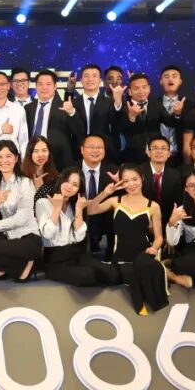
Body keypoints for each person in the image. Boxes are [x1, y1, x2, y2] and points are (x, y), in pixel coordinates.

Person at [87, 164, 169, 315]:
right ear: (121, 183)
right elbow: (90, 210)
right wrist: (106, 193)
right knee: (123, 272)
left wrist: (154, 248)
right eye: (126, 181)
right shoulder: (116, 201)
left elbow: (159, 238)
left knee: (138, 268)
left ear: (142, 179)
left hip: (143, 256)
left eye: (134, 179)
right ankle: (141, 304)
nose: (131, 184)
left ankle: (150, 301)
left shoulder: (153, 206)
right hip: (120, 257)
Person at [0, 140, 43, 281]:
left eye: (8, 156)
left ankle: (29, 260)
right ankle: (16, 263)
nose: (4, 160)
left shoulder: (25, 183)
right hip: (9, 235)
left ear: (16, 158)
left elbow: (22, 218)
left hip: (28, 237)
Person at [36, 167, 119, 286]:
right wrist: (57, 208)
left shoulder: (75, 205)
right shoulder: (43, 203)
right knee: (88, 276)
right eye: (67, 181)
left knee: (112, 274)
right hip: (55, 259)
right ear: (60, 180)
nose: (69, 186)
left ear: (79, 190)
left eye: (75, 185)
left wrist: (79, 209)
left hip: (77, 254)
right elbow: (48, 234)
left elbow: (79, 237)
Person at [118, 72, 181, 164]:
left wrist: (177, 113)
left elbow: (170, 122)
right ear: (130, 92)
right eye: (136, 88)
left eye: (144, 87)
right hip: (133, 157)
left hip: (156, 154)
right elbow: (122, 130)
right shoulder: (124, 107)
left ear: (149, 89)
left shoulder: (156, 104)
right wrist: (132, 117)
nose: (141, 91)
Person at [25, 69, 76, 171]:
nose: (44, 87)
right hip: (32, 160)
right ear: (36, 86)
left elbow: (78, 131)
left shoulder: (65, 107)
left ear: (55, 86)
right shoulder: (28, 108)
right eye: (40, 84)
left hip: (58, 161)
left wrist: (71, 113)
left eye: (48, 84)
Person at [70, 64, 122, 163]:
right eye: (86, 76)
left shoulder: (109, 102)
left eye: (94, 76)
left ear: (100, 81)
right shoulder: (73, 103)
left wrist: (118, 102)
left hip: (105, 151)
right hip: (78, 151)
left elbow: (117, 123)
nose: (90, 79)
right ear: (81, 80)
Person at [80, 133, 119, 257]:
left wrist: (121, 183)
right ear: (82, 150)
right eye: (91, 147)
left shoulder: (114, 172)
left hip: (106, 222)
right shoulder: (71, 169)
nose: (95, 150)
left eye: (99, 147)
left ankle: (110, 252)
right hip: (79, 218)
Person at [142, 135, 182, 215]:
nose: (159, 151)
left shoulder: (175, 175)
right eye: (155, 148)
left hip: (167, 217)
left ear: (169, 153)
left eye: (163, 148)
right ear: (148, 152)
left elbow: (178, 202)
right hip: (143, 215)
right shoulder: (138, 172)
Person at [158, 65, 186, 160]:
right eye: (166, 76)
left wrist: (178, 114)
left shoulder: (189, 105)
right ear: (161, 81)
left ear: (180, 81)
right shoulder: (152, 104)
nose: (170, 79)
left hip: (181, 156)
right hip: (156, 155)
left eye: (174, 76)